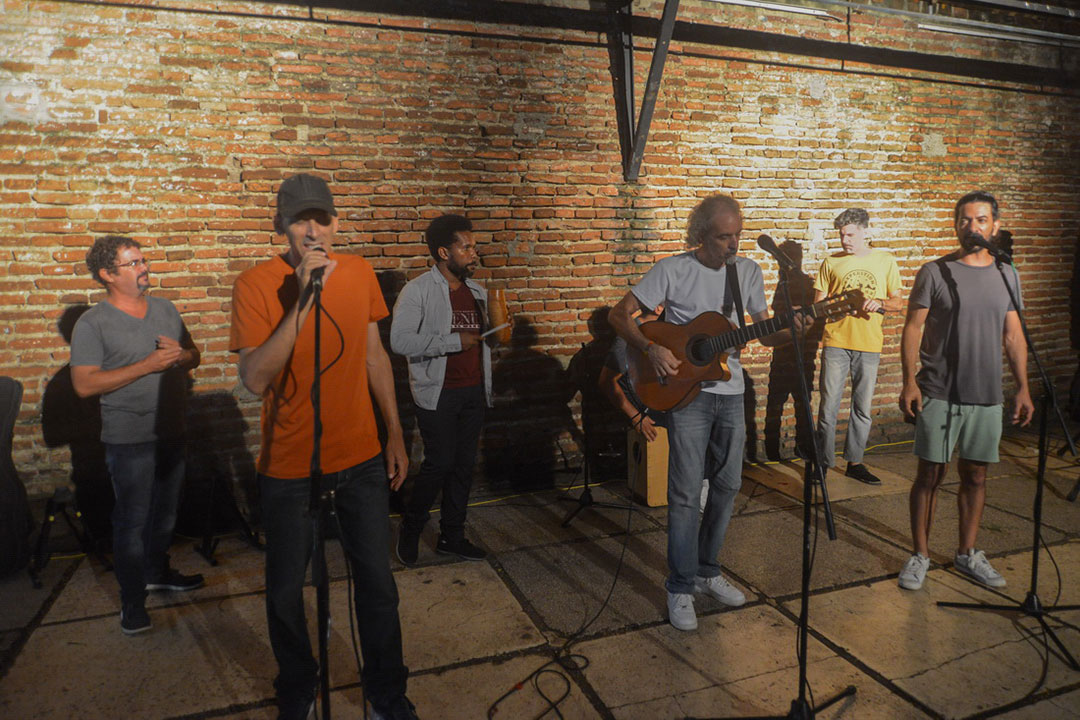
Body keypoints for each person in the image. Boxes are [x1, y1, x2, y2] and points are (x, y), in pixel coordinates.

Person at [229, 174, 418, 720]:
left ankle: (386, 692)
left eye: (323, 219)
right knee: (287, 591)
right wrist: (303, 301)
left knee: (377, 585)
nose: (314, 230)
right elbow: (256, 379)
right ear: (280, 227)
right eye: (300, 220)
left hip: (359, 457)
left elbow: (374, 356)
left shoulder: (359, 272)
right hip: (289, 466)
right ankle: (298, 686)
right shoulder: (255, 284)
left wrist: (395, 433)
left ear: (337, 222)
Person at [610, 194, 802, 631]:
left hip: (731, 392)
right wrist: (651, 347)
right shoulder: (672, 269)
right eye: (723, 237)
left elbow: (765, 334)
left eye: (737, 235)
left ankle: (707, 571)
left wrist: (794, 332)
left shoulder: (747, 272)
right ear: (701, 235)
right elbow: (619, 315)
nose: (733, 245)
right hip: (686, 394)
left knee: (729, 484)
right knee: (682, 492)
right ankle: (679, 587)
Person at [897, 190, 1033, 592]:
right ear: (956, 225)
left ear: (994, 225)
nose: (971, 227)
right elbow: (913, 328)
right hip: (939, 390)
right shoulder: (935, 271)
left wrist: (1023, 387)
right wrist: (909, 381)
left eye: (980, 220)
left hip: (986, 394)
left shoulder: (1007, 274)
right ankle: (920, 554)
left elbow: (1013, 336)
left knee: (975, 475)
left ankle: (967, 552)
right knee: (930, 475)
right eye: (964, 220)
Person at [70, 235, 203, 636]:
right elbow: (84, 385)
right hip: (129, 439)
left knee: (166, 514)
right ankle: (132, 602)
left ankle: (156, 572)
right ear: (107, 275)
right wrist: (147, 365)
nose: (144, 268)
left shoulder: (165, 308)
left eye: (143, 260)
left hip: (172, 432)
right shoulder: (92, 323)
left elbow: (195, 355)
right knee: (131, 522)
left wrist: (181, 356)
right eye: (133, 264)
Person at [390, 214, 493, 565]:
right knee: (439, 463)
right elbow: (400, 340)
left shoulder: (478, 292)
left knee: (464, 465)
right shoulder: (417, 290)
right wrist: (452, 341)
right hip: (437, 392)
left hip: (473, 391)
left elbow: (480, 342)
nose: (473, 253)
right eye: (466, 247)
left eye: (473, 246)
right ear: (443, 252)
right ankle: (412, 527)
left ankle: (452, 535)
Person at [813, 208, 903, 484]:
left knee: (862, 408)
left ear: (865, 232)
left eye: (851, 234)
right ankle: (823, 464)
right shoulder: (831, 262)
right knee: (828, 407)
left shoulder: (885, 260)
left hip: (869, 344)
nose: (845, 240)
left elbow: (898, 302)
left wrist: (881, 303)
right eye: (842, 235)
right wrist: (833, 309)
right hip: (836, 342)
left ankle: (855, 462)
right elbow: (817, 306)